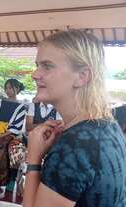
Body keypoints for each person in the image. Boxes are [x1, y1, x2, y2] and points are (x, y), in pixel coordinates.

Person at [23, 30, 126, 207]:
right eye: (37, 65)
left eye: (47, 66)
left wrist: (34, 159)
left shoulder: (74, 146)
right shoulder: (107, 124)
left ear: (82, 76)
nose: (35, 74)